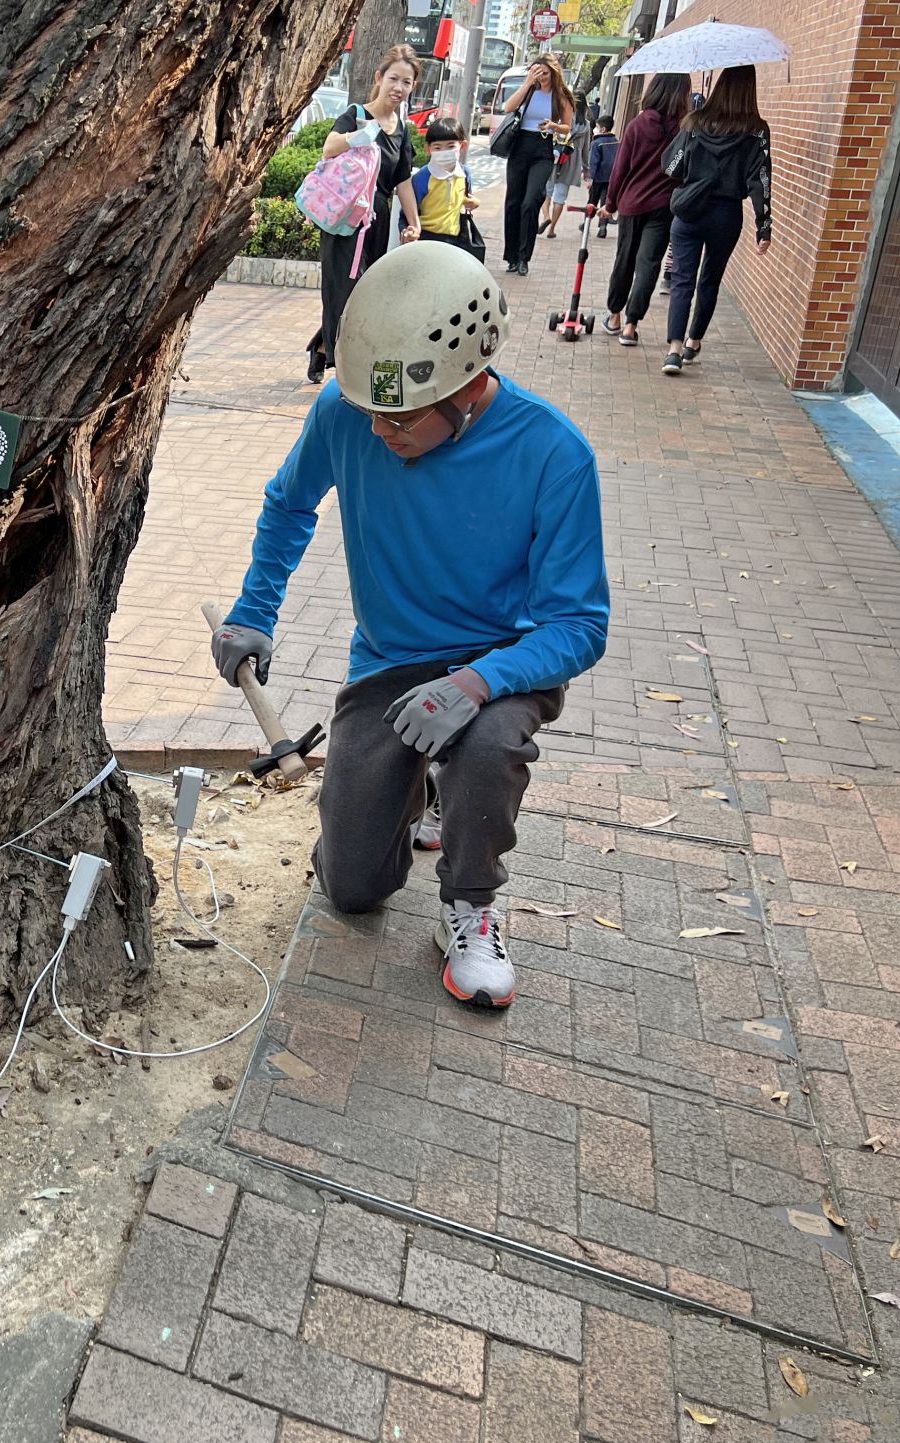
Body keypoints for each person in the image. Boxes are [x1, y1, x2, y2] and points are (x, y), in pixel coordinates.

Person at [211, 244, 610, 1009]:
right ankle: (418, 791)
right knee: (352, 887)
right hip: (390, 659)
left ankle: (470, 906)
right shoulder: (346, 413)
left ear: (469, 384)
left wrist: (477, 683)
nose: (380, 430)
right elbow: (289, 503)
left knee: (487, 747)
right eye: (371, 409)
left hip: (502, 664)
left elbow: (579, 625)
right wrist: (253, 610)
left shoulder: (553, 454)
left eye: (400, 416)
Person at [305, 44, 427, 383]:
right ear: (379, 78)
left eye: (406, 82)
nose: (398, 87)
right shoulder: (357, 114)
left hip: (377, 221)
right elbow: (329, 148)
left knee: (364, 294)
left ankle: (323, 347)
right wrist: (362, 135)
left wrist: (414, 223)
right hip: (346, 218)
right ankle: (346, 370)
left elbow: (403, 180)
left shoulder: (402, 129)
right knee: (342, 291)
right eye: (393, 79)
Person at [661, 65, 772, 374]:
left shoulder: (695, 123)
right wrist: (764, 226)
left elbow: (671, 167)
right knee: (711, 278)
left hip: (690, 210)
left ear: (720, 85)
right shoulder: (757, 130)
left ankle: (673, 351)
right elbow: (761, 180)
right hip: (726, 214)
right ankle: (693, 342)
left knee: (682, 279)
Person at [602, 72, 690, 348]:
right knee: (648, 265)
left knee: (625, 260)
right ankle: (631, 326)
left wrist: (610, 204)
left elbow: (619, 170)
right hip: (664, 207)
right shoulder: (685, 130)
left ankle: (614, 316)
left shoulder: (637, 125)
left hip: (631, 204)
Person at [497, 55, 576, 275]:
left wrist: (553, 126)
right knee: (513, 201)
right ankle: (511, 257)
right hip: (520, 146)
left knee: (530, 201)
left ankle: (524, 258)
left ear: (553, 73)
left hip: (543, 149)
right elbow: (508, 107)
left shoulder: (561, 96)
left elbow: (567, 127)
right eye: (536, 72)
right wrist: (527, 83)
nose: (540, 76)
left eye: (544, 73)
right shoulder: (529, 90)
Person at [412, 117, 482, 256]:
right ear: (428, 149)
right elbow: (410, 210)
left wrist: (474, 202)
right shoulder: (422, 177)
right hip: (426, 237)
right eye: (437, 148)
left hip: (455, 239)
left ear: (462, 146)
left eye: (451, 146)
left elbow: (464, 198)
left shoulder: (465, 174)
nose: (444, 152)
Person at [542, 132, 583, 238]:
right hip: (571, 161)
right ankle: (551, 229)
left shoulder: (560, 122)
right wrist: (586, 169)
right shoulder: (585, 126)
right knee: (560, 197)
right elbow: (585, 149)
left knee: (546, 192)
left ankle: (546, 217)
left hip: (554, 157)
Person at [586, 117, 618, 237]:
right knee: (605, 202)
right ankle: (603, 227)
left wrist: (590, 178)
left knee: (592, 202)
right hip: (611, 178)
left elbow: (593, 162)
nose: (595, 129)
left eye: (597, 127)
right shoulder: (616, 141)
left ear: (603, 129)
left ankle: (586, 224)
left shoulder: (596, 143)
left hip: (598, 178)